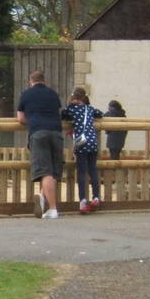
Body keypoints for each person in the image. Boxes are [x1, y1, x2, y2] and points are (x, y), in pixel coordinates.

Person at [16, 69, 64, 219]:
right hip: (56, 132)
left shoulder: (26, 94)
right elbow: (58, 111)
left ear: (31, 81)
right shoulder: (53, 94)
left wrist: (34, 121)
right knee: (54, 172)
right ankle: (43, 199)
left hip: (38, 133)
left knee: (45, 172)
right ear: (44, 80)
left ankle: (53, 209)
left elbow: (21, 118)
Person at [62, 86, 103, 214]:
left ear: (74, 98)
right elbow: (100, 114)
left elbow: (63, 114)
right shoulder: (89, 108)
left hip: (82, 143)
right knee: (93, 170)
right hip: (93, 142)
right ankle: (96, 196)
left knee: (81, 172)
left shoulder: (72, 109)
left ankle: (83, 200)